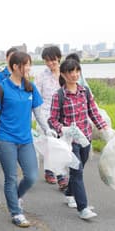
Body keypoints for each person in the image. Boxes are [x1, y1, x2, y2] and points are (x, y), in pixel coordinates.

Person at [0, 51, 53, 228]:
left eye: (29, 64)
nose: (29, 68)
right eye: (26, 64)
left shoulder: (30, 87)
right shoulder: (1, 88)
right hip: (6, 139)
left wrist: (47, 129)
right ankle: (16, 212)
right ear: (15, 66)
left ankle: (16, 197)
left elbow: (38, 111)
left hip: (26, 139)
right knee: (11, 178)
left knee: (31, 176)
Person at [48, 59, 109, 220]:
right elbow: (52, 120)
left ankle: (69, 194)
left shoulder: (85, 92)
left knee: (78, 169)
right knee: (77, 171)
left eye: (77, 71)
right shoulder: (59, 95)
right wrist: (63, 129)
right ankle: (83, 208)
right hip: (70, 141)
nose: (74, 75)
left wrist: (104, 129)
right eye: (70, 72)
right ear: (63, 74)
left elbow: (93, 112)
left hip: (86, 138)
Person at [34, 46, 68, 189]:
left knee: (62, 146)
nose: (50, 63)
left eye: (52, 60)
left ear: (58, 58)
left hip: (64, 116)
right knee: (52, 146)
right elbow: (36, 99)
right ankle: (60, 176)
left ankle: (52, 171)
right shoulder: (41, 77)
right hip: (46, 115)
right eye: (46, 61)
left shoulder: (66, 73)